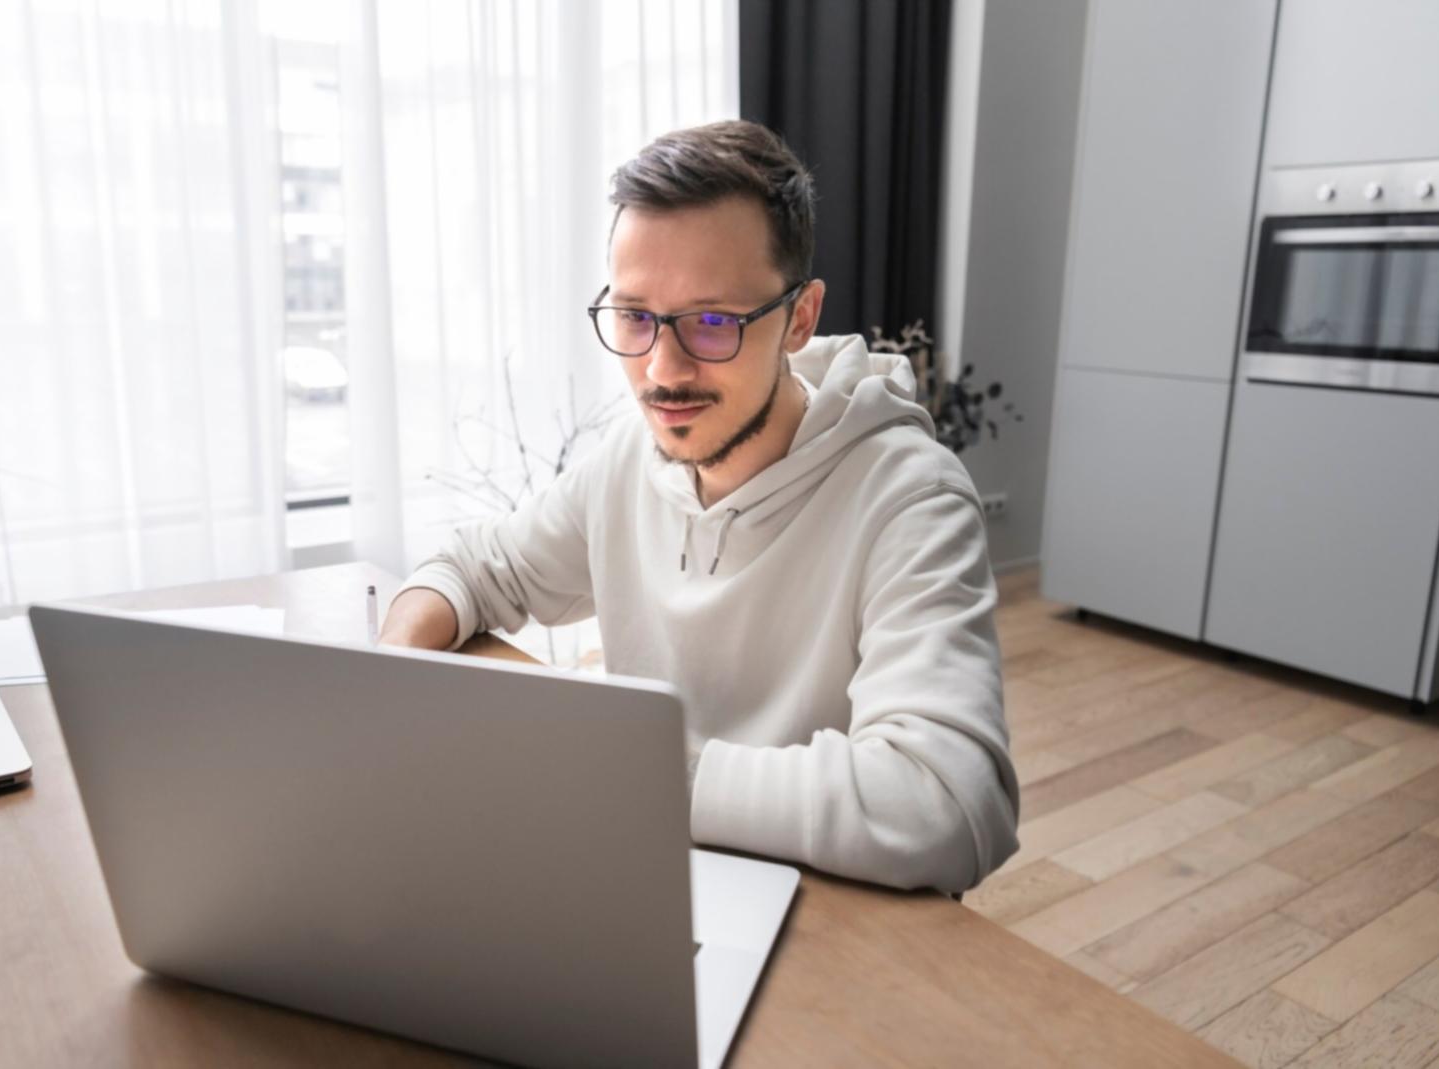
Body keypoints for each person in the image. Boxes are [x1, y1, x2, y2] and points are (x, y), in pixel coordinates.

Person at [379, 119, 1018, 894]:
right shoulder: (628, 458)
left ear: (801, 318)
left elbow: (949, 802)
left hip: (830, 914)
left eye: (712, 321)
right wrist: (392, 679)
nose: (661, 368)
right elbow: (476, 567)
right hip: (647, 878)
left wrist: (652, 780)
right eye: (635, 315)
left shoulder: (911, 497)